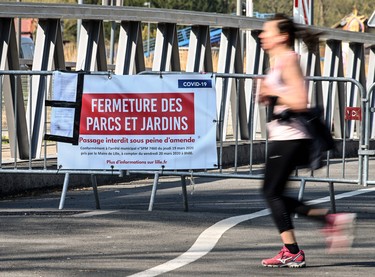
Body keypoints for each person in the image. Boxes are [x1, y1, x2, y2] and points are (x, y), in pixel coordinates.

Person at [258, 13, 356, 268]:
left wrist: (272, 91)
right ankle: (318, 228)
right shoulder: (280, 60)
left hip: (290, 137)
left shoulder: (288, 60)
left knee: (271, 192)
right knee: (274, 193)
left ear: (282, 36)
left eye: (266, 31)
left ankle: (296, 248)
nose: (261, 35)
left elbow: (301, 101)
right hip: (286, 136)